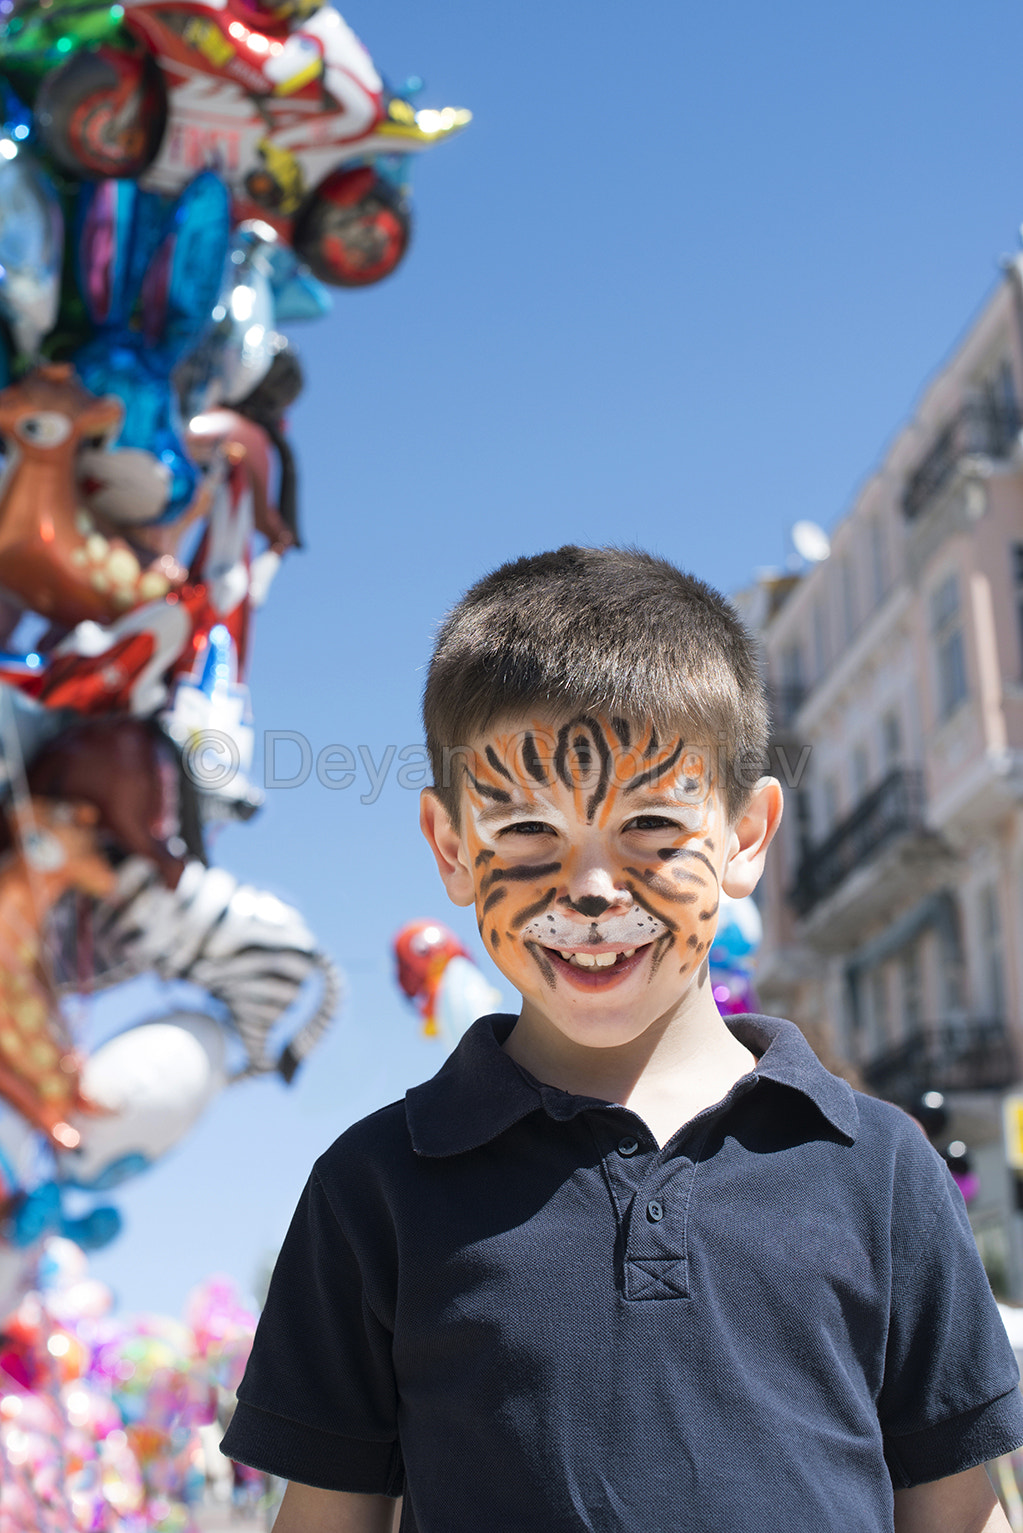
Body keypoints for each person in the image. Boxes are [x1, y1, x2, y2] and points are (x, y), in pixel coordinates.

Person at [222, 546, 1023, 1532]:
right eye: (525, 830)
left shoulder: (882, 1170)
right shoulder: (374, 1189)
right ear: (448, 848)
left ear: (745, 836)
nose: (591, 890)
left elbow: (959, 1514)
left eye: (649, 824)